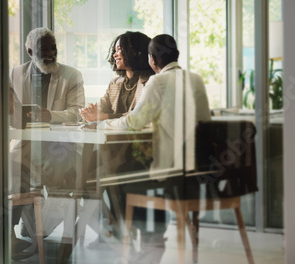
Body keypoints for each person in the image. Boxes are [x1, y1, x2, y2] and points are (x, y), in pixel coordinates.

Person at [82, 34, 211, 262]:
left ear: (152, 60)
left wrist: (102, 123)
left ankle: (146, 239)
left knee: (119, 176)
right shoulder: (196, 79)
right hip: (195, 166)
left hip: (167, 167)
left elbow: (133, 122)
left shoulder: (156, 81)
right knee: (116, 171)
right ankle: (137, 237)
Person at [9, 27, 85, 241]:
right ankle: (12, 230)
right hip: (27, 143)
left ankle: (25, 225)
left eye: (54, 48)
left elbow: (78, 114)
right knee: (12, 167)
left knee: (21, 166)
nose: (51, 53)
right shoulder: (15, 73)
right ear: (30, 52)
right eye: (44, 50)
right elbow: (7, 110)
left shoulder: (71, 75)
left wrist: (49, 115)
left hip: (61, 146)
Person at [79, 31, 155, 122]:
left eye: (119, 49)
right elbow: (101, 110)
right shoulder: (114, 83)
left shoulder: (151, 82)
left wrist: (105, 117)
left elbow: (139, 115)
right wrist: (90, 112)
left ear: (135, 51)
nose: (115, 55)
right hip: (113, 134)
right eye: (115, 50)